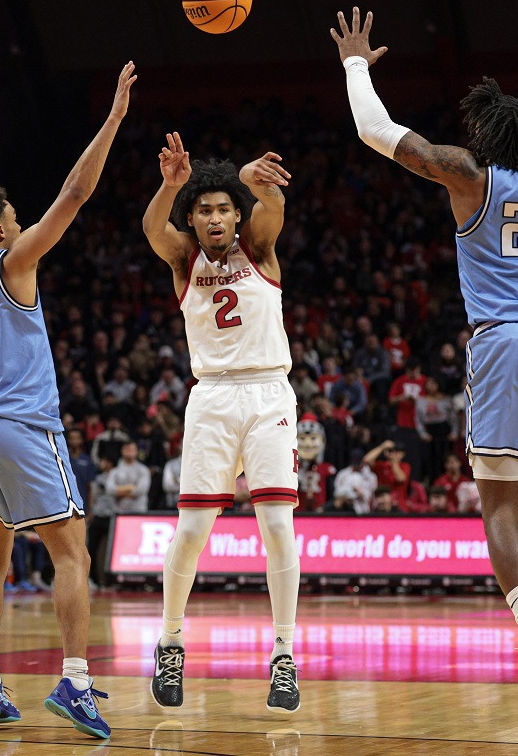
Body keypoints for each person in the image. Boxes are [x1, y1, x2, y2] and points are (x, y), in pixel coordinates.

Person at [333, 0, 518, 716]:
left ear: (488, 136)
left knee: (500, 505)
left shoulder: (468, 174)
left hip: (503, 342)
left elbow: (376, 130)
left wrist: (354, 64)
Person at [0, 61, 134, 737]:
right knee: (72, 556)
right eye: (14, 214)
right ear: (3, 232)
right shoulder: (14, 264)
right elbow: (74, 193)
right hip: (23, 426)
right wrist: (115, 118)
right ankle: (75, 682)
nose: (20, 217)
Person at [141, 130, 302, 714]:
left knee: (278, 527)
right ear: (195, 220)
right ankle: (170, 640)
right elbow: (152, 229)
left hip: (267, 394)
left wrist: (255, 183)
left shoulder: (258, 250)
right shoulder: (183, 258)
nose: (214, 218)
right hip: (210, 397)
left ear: (237, 217)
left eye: (223, 208)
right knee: (190, 533)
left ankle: (284, 655)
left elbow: (274, 210)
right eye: (204, 210)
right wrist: (169, 187)